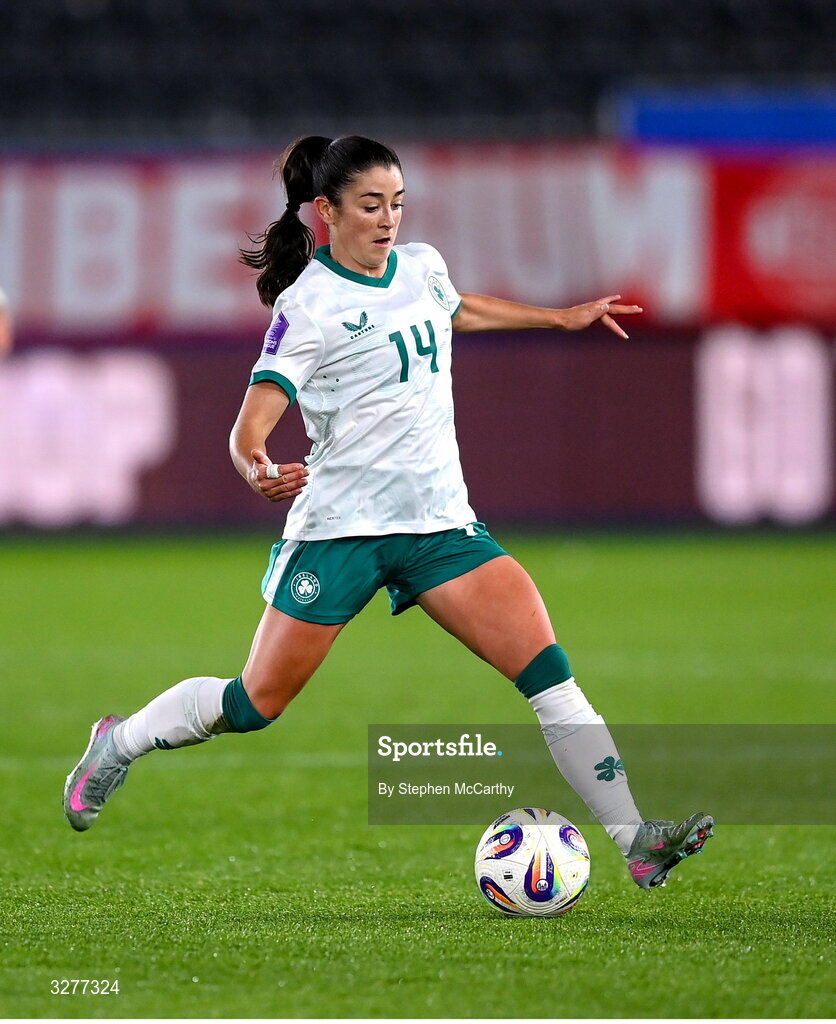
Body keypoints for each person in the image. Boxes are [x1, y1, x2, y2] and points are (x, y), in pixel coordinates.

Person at [64, 135, 713, 890]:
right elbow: (248, 429)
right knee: (254, 703)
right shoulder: (309, 306)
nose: (388, 219)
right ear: (326, 211)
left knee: (550, 676)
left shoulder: (424, 267)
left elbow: (455, 310)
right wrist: (259, 471)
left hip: (441, 524)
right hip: (342, 530)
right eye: (371, 205)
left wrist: (558, 318)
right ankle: (120, 742)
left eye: (398, 203)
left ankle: (636, 838)